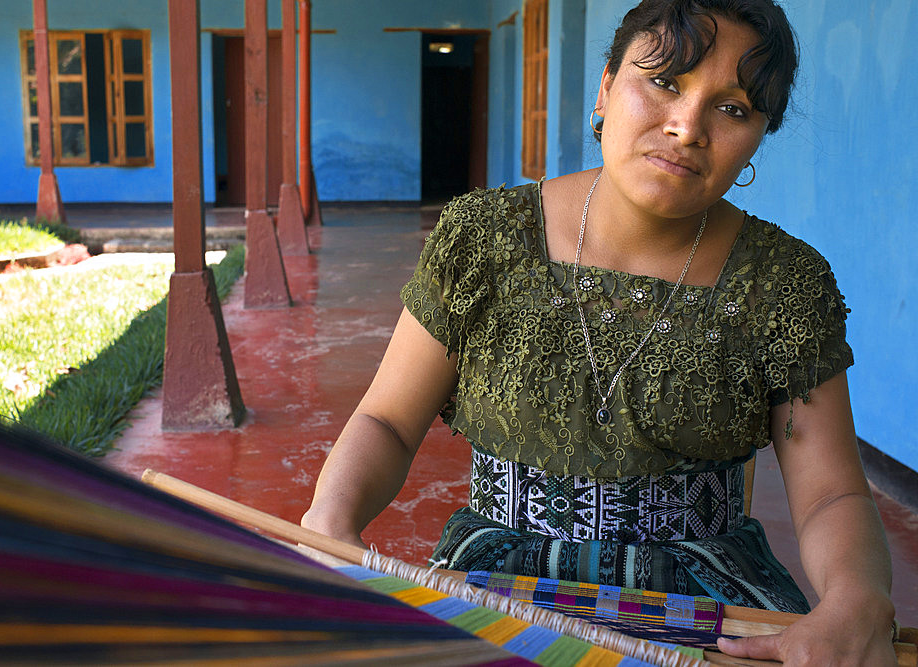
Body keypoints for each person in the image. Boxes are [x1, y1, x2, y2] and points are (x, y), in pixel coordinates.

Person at [302, 0, 896, 663]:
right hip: (499, 587)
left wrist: (855, 598)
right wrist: (332, 517)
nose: (687, 127)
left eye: (732, 109)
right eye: (664, 81)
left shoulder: (784, 284)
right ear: (607, 86)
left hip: (705, 602)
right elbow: (387, 419)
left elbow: (833, 490)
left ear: (759, 135)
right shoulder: (485, 240)